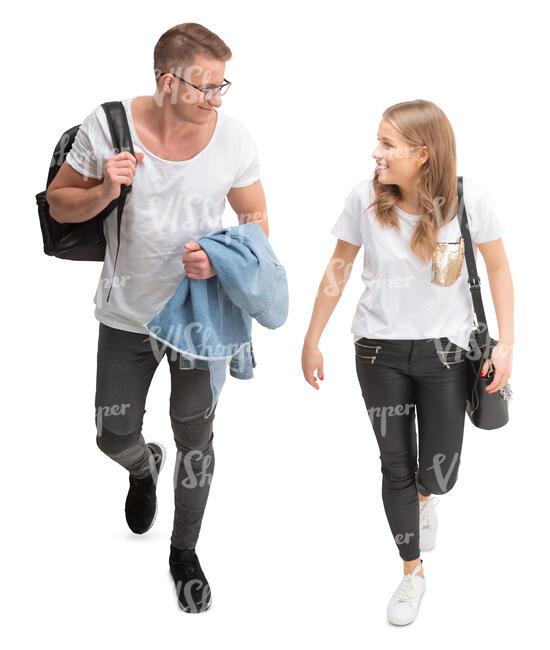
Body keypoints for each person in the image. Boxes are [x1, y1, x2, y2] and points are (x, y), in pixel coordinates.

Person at [46, 22, 268, 613]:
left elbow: (256, 219)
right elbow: (60, 204)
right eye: (205, 87)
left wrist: (221, 262)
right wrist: (102, 192)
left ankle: (184, 551)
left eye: (224, 86)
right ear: (166, 82)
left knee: (196, 436)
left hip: (197, 315)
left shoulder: (234, 140)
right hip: (126, 313)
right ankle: (143, 466)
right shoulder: (108, 126)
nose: (216, 99)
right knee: (111, 433)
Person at [301, 99, 514, 625]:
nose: (375, 153)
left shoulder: (469, 200)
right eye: (377, 141)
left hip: (447, 354)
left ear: (422, 154)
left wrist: (507, 344)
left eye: (386, 144)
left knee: (439, 473)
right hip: (378, 352)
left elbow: (500, 269)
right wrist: (312, 337)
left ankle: (428, 495)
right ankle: (411, 572)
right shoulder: (364, 199)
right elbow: (338, 268)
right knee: (393, 462)